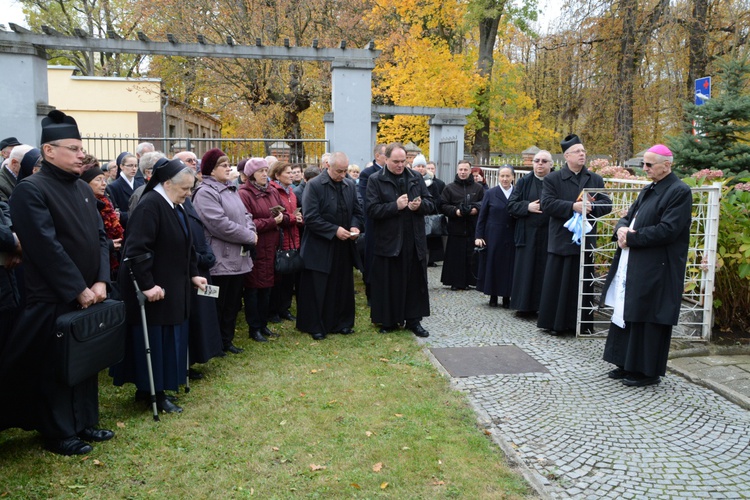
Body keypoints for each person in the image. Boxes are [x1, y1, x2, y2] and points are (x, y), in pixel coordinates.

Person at [1, 110, 113, 455]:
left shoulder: (82, 188)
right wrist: (76, 289)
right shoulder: (30, 190)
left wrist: (100, 281)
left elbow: (100, 238)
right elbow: (44, 247)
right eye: (74, 148)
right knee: (54, 366)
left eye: (82, 148)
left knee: (85, 359)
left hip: (90, 293)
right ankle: (59, 431)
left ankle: (84, 422)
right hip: (52, 297)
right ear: (49, 151)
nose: (82, 154)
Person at [113, 158, 207, 413]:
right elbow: (136, 251)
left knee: (169, 339)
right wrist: (147, 285)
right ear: (166, 183)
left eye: (190, 189)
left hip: (175, 285)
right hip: (155, 289)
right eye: (185, 189)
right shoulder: (150, 206)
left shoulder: (174, 205)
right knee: (156, 341)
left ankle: (158, 386)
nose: (188, 195)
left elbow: (186, 245)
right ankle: (155, 390)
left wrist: (193, 274)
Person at [601, 144, 692, 387]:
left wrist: (631, 237)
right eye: (644, 164)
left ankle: (647, 371)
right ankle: (626, 363)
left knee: (648, 315)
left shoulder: (679, 191)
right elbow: (629, 216)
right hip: (637, 260)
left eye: (649, 164)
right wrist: (621, 228)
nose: (645, 168)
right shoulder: (649, 188)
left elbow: (669, 230)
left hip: (659, 266)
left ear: (667, 165)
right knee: (629, 309)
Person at [537, 134, 612, 335]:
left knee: (583, 283)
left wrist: (589, 207)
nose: (582, 154)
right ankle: (556, 324)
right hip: (562, 240)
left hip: (585, 240)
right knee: (559, 285)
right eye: (577, 151)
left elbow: (607, 204)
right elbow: (547, 204)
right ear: (567, 156)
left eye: (584, 151)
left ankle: (583, 324)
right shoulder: (553, 179)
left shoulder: (594, 178)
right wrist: (573, 206)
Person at [193, 148, 257, 354]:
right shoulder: (205, 193)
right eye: (223, 164)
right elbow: (219, 224)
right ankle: (215, 343)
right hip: (220, 260)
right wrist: (248, 236)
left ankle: (227, 340)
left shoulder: (231, 189)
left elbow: (247, 214)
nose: (228, 168)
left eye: (229, 163)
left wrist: (251, 230)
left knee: (232, 303)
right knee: (217, 303)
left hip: (238, 258)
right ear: (211, 170)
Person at [366, 142, 433, 337]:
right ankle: (388, 320)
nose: (400, 165)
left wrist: (419, 206)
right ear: (385, 159)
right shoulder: (375, 180)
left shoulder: (414, 177)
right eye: (396, 161)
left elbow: (430, 202)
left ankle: (414, 320)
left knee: (414, 281)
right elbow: (371, 210)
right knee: (389, 281)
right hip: (388, 239)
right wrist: (394, 206)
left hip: (414, 238)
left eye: (403, 161)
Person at [296, 152, 363, 340]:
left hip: (343, 246)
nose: (343, 175)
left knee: (342, 285)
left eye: (345, 171)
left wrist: (354, 226)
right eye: (339, 171)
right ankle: (315, 325)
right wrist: (334, 230)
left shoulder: (349, 185)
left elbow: (358, 211)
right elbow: (310, 217)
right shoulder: (315, 185)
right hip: (319, 245)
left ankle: (342, 322)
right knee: (318, 287)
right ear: (328, 167)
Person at [239, 158, 287, 342]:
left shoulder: (271, 190)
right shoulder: (244, 194)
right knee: (253, 289)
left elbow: (278, 212)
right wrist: (271, 222)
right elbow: (246, 222)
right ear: (251, 174)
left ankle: (263, 324)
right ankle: (254, 327)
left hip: (272, 245)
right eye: (260, 171)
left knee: (267, 287)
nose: (265, 174)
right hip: (256, 246)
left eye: (266, 170)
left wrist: (284, 216)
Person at [507, 151, 552, 316]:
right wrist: (527, 207)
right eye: (537, 161)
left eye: (544, 161)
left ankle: (545, 307)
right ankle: (524, 306)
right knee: (526, 270)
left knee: (546, 270)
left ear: (551, 165)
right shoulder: (524, 182)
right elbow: (511, 205)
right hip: (527, 233)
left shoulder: (556, 181)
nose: (540, 164)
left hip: (549, 234)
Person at [475, 165, 515, 307]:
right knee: (493, 264)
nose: (505, 179)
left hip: (511, 235)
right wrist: (479, 236)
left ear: (513, 177)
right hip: (493, 234)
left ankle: (506, 296)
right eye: (502, 176)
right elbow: (482, 216)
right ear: (498, 177)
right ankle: (492, 295)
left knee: (509, 266)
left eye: (507, 176)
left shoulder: (517, 193)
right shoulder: (491, 193)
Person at [440, 160, 484, 290]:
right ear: (457, 170)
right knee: (456, 256)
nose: (463, 172)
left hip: (472, 226)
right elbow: (442, 205)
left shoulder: (478, 188)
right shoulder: (449, 187)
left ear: (470, 171)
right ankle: (456, 281)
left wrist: (476, 208)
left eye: (466, 170)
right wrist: (456, 211)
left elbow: (484, 202)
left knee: (472, 255)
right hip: (456, 227)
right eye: (461, 170)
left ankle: (473, 281)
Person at [268, 161, 303, 324]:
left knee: (290, 274)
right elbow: (278, 217)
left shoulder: (292, 192)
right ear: (277, 175)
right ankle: (273, 310)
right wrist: (293, 219)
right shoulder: (273, 191)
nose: (291, 175)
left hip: (293, 236)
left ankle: (285, 308)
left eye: (292, 172)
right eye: (288, 173)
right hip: (280, 238)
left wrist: (299, 219)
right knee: (278, 276)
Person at [80, 158, 125, 279]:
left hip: (113, 259)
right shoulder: (85, 204)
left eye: (104, 180)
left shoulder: (106, 200)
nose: (104, 183)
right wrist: (108, 244)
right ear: (86, 183)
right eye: (98, 180)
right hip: (95, 264)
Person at [358, 144, 387, 304]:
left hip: (390, 222)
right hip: (374, 222)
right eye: (385, 155)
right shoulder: (367, 174)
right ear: (377, 156)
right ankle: (371, 292)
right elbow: (366, 198)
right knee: (372, 257)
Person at [106, 152, 144, 230]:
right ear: (121, 166)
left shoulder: (140, 185)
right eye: (130, 165)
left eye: (136, 166)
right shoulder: (113, 187)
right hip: (124, 227)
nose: (134, 169)